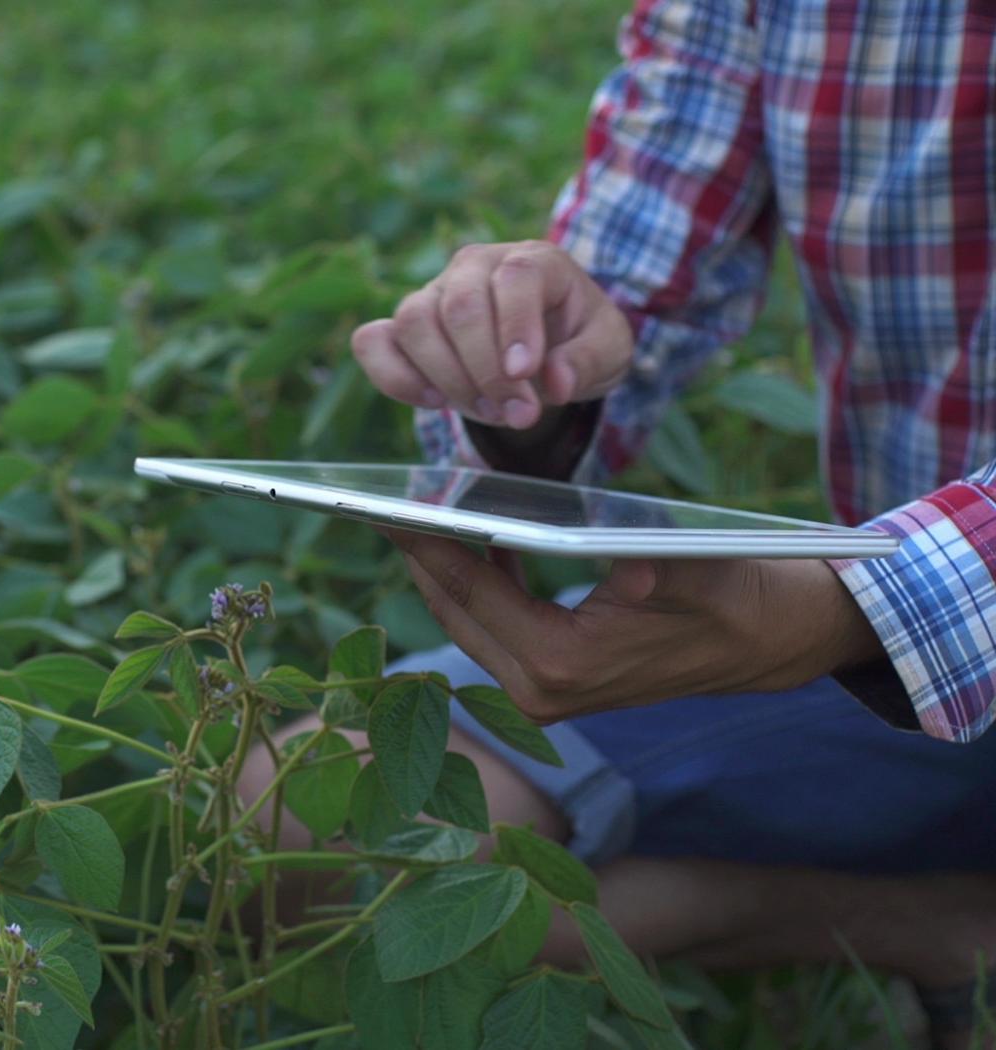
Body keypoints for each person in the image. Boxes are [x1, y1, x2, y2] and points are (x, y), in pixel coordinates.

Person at [245, 0, 996, 1044]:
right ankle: (928, 925)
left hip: (881, 613)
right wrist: (523, 380)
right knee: (300, 820)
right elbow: (622, 288)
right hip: (905, 672)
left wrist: (849, 606)